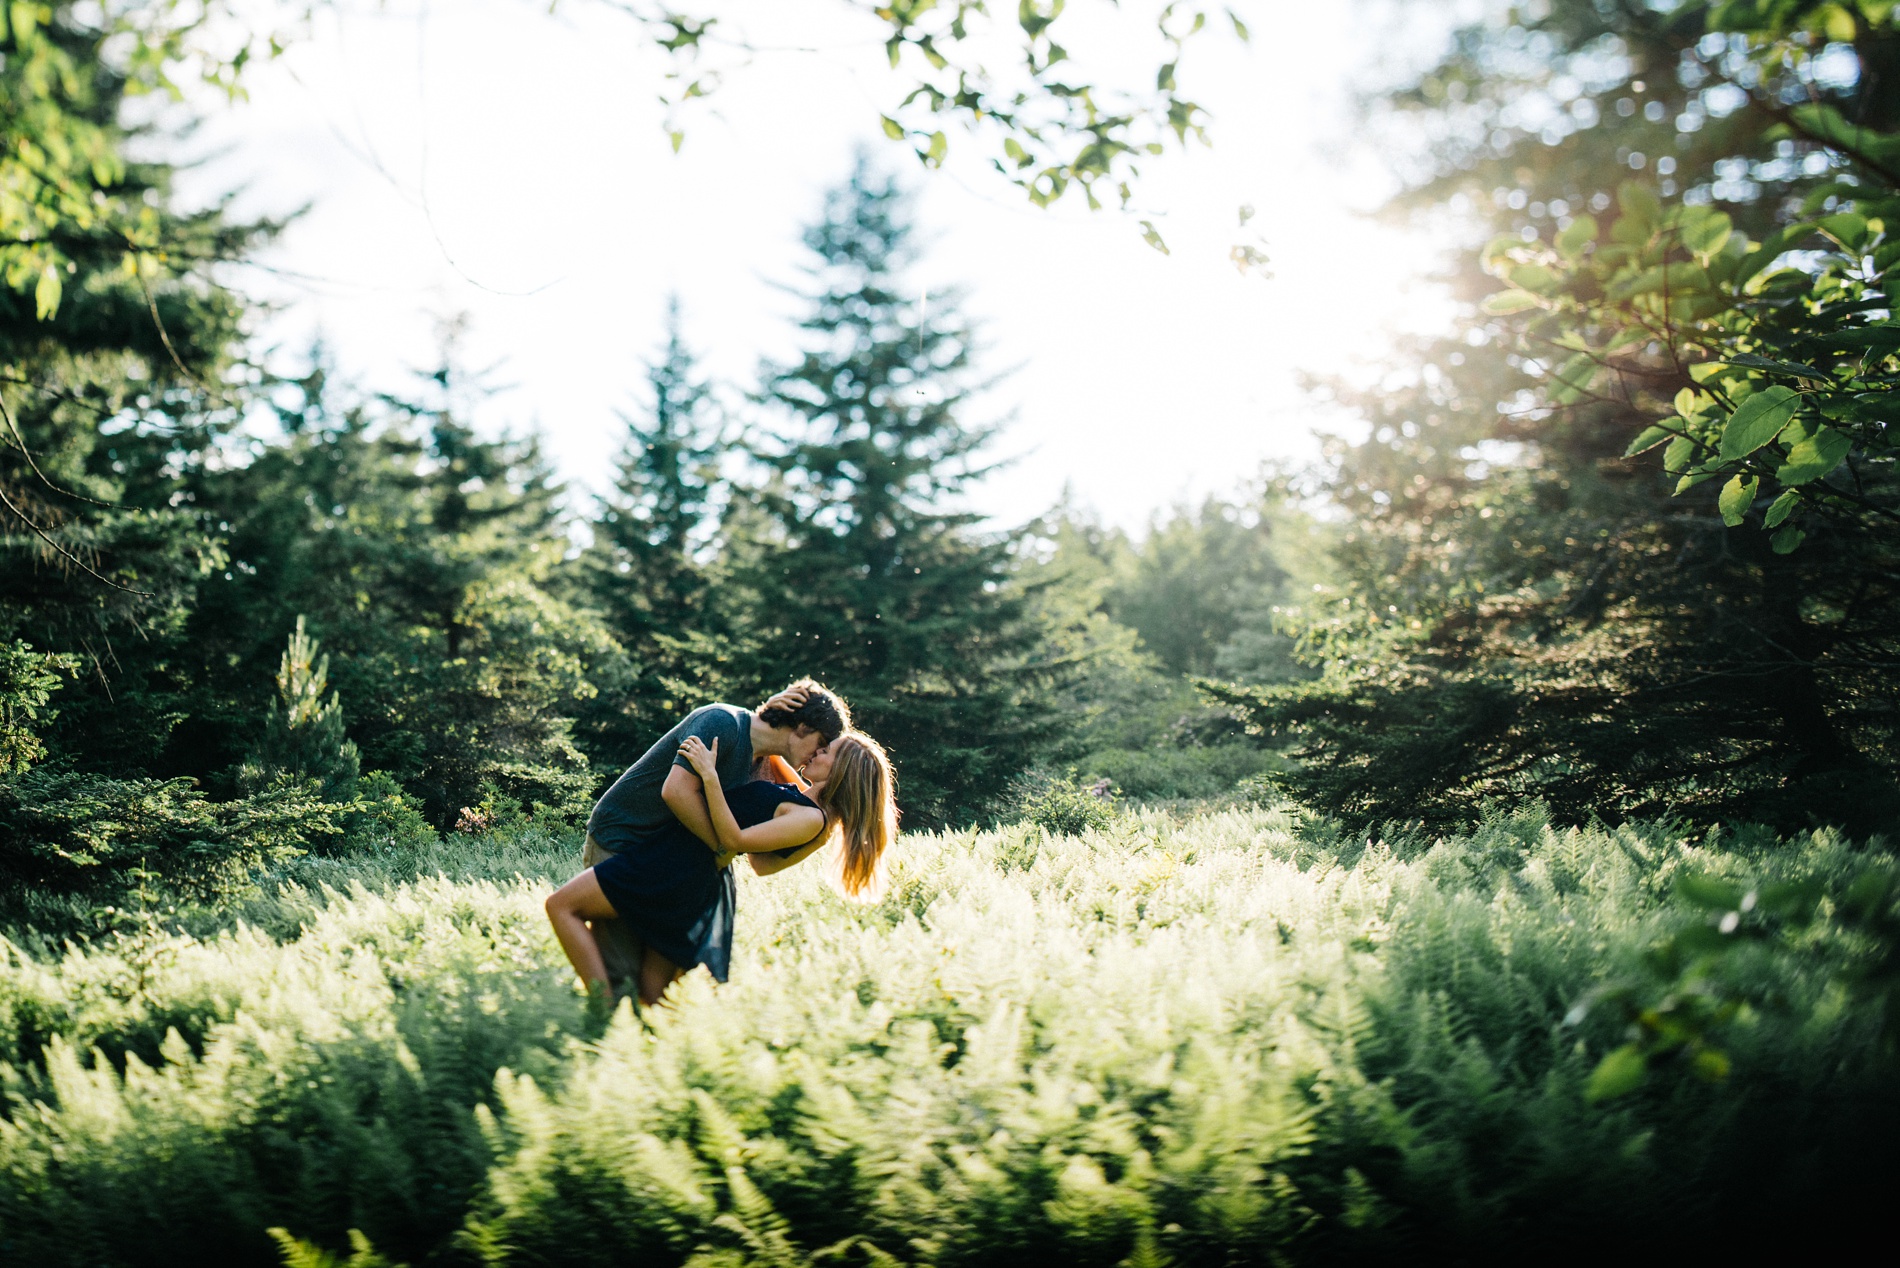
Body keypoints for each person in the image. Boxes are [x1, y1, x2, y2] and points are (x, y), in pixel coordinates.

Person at [544, 714, 899, 1008]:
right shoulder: (801, 799)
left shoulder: (812, 820)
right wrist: (775, 712)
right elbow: (769, 749)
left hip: (675, 869)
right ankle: (619, 1030)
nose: (815, 754)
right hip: (677, 866)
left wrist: (710, 777)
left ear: (843, 769)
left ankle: (601, 1010)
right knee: (652, 998)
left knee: (562, 907)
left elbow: (737, 841)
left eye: (825, 752)